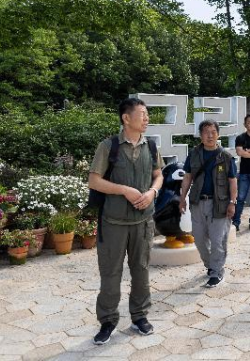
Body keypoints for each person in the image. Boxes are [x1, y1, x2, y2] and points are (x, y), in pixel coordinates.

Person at [88, 98, 164, 345]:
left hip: (143, 222)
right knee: (110, 273)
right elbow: (94, 181)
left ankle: (139, 316)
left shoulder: (150, 146)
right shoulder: (109, 146)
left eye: (147, 114)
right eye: (142, 114)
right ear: (126, 118)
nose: (147, 118)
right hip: (113, 222)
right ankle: (108, 321)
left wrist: (152, 192)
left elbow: (159, 175)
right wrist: (124, 190)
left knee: (141, 271)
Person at [179, 119, 237, 288]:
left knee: (218, 240)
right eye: (206, 132)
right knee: (198, 238)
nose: (210, 136)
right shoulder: (195, 154)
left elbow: (233, 181)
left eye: (213, 132)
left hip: (220, 204)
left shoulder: (225, 156)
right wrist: (182, 199)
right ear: (201, 135)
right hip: (198, 202)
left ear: (218, 134)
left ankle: (217, 272)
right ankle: (211, 266)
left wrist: (233, 202)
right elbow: (188, 177)